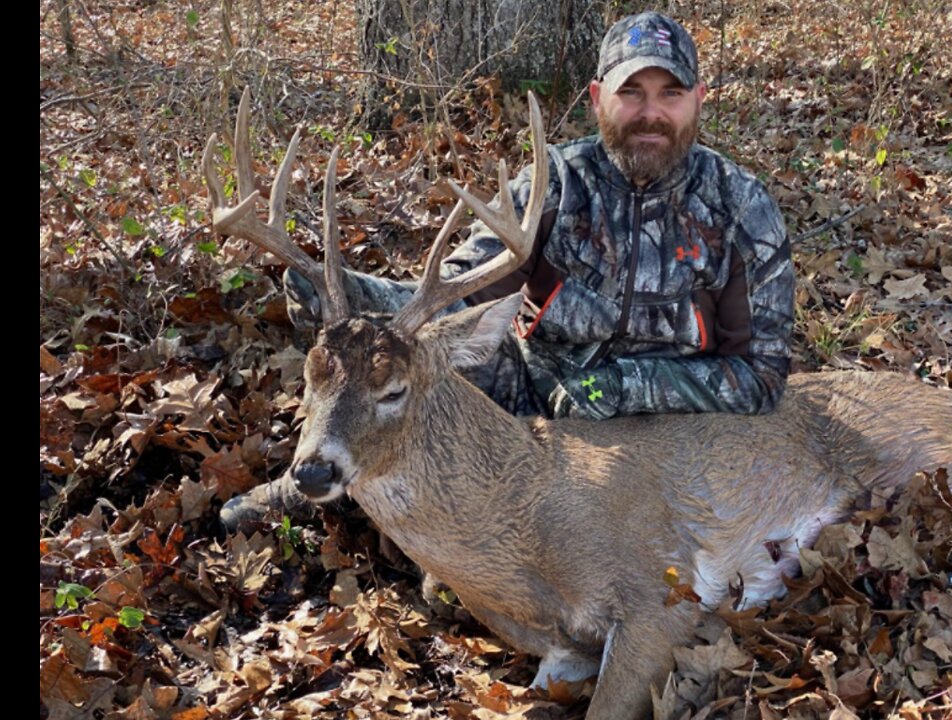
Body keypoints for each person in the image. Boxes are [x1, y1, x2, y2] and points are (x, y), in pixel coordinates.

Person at [291, 11, 795, 420]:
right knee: (404, 380)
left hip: (674, 423)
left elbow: (762, 377)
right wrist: (358, 292)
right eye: (631, 92)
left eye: (671, 93)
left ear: (698, 100)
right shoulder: (553, 182)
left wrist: (627, 387)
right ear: (598, 98)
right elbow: (459, 294)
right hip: (533, 393)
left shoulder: (740, 207)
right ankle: (309, 487)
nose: (650, 113)